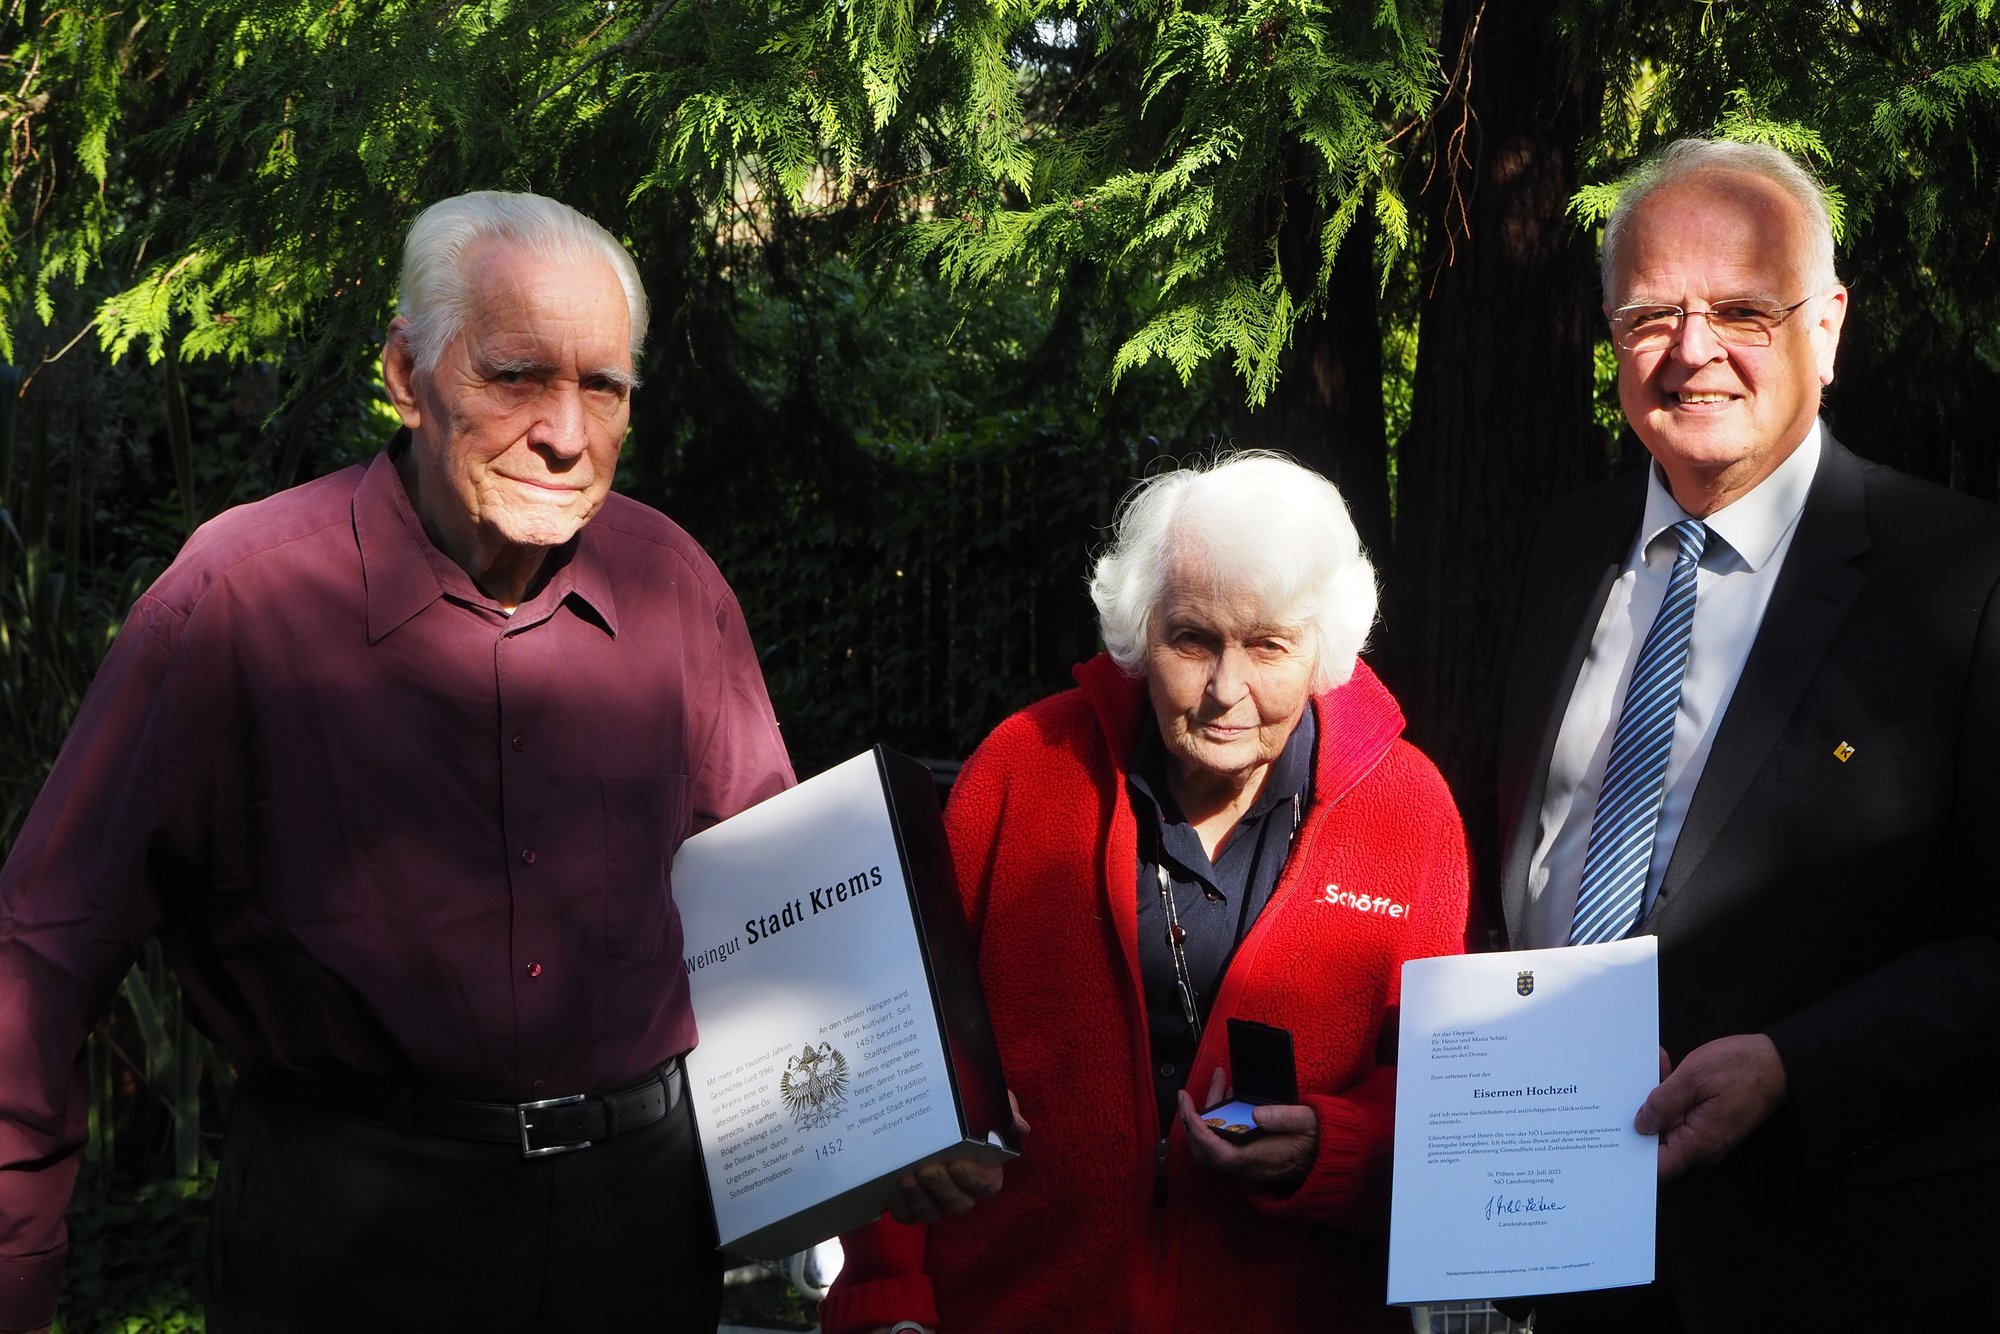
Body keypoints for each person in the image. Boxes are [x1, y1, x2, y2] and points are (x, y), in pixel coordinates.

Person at [0, 192, 794, 1333]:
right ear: (404, 372)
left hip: (641, 1237)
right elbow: (45, 945)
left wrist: (891, 1114)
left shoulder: (673, 585)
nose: (566, 432)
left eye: (604, 387)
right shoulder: (240, 600)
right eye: (515, 375)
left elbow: (778, 895)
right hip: (348, 1248)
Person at [1477, 138, 2000, 1329]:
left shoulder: (1962, 578)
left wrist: (1798, 1064)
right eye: (1650, 312)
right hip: (1551, 1237)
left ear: (1824, 327)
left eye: (1740, 309)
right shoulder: (1564, 550)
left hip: (1824, 1253)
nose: (1691, 349)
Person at [820, 452, 1468, 1334]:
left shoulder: (1407, 811)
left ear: (1326, 646)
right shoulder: (1023, 769)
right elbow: (893, 1043)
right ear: (1139, 631)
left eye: (1269, 646)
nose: (1226, 691)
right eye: (1193, 640)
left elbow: (1439, 1095)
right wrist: (887, 1302)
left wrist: (1336, 1147)